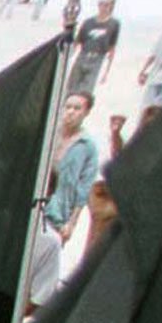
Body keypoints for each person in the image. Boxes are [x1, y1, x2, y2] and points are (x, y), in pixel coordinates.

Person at [44, 92, 101, 242]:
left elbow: (84, 188)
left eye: (77, 108)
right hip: (36, 201)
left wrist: (71, 224)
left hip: (58, 215)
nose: (70, 112)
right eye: (68, 107)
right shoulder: (48, 133)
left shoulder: (88, 146)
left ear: (86, 112)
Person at [69, 0, 121, 96]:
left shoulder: (114, 24)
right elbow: (78, 41)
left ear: (111, 6)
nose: (104, 8)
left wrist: (106, 70)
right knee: (72, 86)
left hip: (98, 58)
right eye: (102, 4)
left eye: (107, 5)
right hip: (83, 55)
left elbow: (112, 46)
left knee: (86, 90)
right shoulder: (88, 22)